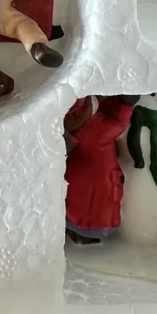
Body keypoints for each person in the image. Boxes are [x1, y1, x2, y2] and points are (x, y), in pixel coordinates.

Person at [64, 95, 138, 244]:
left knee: (88, 201)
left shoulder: (85, 127)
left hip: (88, 172)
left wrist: (117, 102)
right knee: (98, 203)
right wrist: (125, 105)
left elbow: (104, 114)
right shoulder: (95, 130)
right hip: (99, 175)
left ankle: (82, 228)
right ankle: (89, 229)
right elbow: (115, 126)